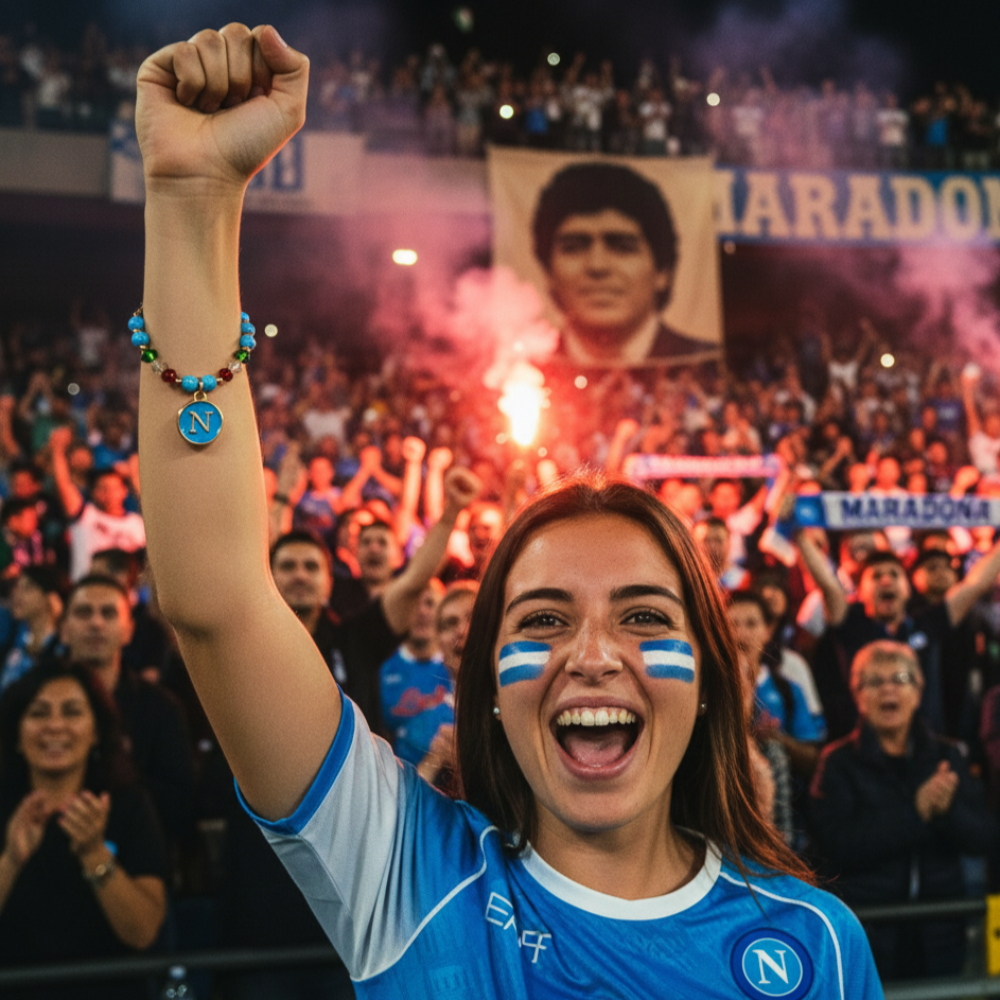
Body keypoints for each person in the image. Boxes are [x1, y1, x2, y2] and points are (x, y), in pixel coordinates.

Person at [134, 25, 879, 998]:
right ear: (487, 681)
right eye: (542, 620)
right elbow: (217, 597)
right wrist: (192, 199)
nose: (594, 653)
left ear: (709, 679)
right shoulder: (406, 871)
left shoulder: (817, 944)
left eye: (646, 616)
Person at [810, 641, 993, 981]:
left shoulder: (947, 756)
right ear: (858, 695)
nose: (888, 689)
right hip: (870, 933)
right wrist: (916, 812)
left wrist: (947, 809)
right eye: (875, 681)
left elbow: (981, 836)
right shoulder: (837, 763)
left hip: (940, 929)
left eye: (900, 678)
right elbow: (838, 846)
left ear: (918, 691)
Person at [0, 661, 167, 1000]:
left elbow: (143, 932)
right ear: (17, 734)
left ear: (95, 732)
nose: (55, 726)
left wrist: (94, 854)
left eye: (72, 712)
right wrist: (11, 861)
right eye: (38, 713)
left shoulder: (128, 805)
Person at [531, 161, 713, 367]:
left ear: (662, 272)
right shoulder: (520, 370)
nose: (597, 266)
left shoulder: (708, 363)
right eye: (573, 248)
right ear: (548, 273)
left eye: (622, 248)